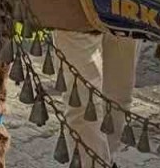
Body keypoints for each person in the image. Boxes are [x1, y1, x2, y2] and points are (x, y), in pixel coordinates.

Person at [53, 30, 139, 165]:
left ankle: (107, 161)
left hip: (122, 15)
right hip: (75, 14)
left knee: (119, 96)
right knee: (82, 104)